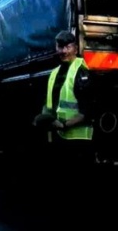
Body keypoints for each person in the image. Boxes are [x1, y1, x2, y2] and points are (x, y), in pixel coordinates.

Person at [34, 30, 94, 168]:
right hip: (59, 138)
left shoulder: (81, 72)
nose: (64, 51)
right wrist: (44, 119)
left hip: (78, 141)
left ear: (76, 49)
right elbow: (49, 104)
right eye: (60, 47)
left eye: (68, 47)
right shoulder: (54, 73)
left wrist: (64, 125)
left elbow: (88, 111)